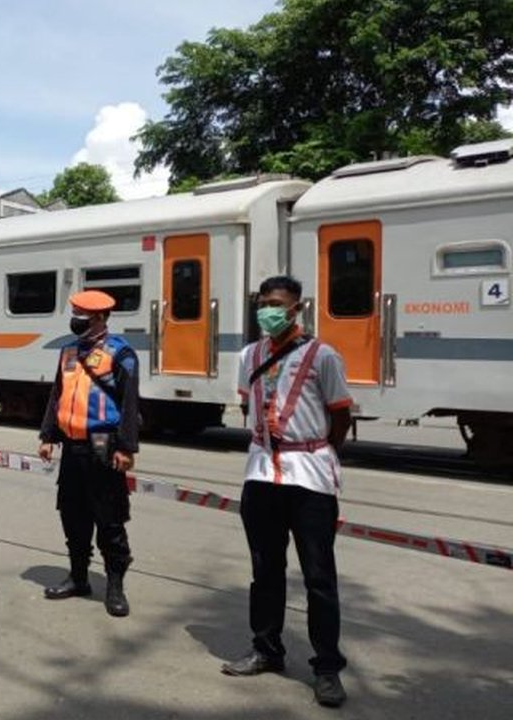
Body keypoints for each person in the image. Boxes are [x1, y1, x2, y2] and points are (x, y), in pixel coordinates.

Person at [221, 276, 352, 709]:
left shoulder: (323, 356)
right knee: (265, 570)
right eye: (262, 303)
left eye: (276, 304)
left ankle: (327, 667)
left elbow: (339, 416)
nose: (268, 311)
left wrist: (317, 449)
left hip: (310, 478)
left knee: (319, 578)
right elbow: (248, 406)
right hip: (261, 474)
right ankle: (266, 650)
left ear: (297, 308)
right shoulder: (248, 356)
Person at [36, 289, 140, 617]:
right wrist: (48, 435)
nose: (75, 319)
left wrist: (126, 446)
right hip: (72, 447)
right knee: (73, 514)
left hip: (103, 447)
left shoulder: (120, 353)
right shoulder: (68, 352)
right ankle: (78, 578)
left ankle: (114, 586)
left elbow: (130, 403)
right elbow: (58, 394)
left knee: (109, 519)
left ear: (98, 318)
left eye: (81, 314)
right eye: (75, 313)